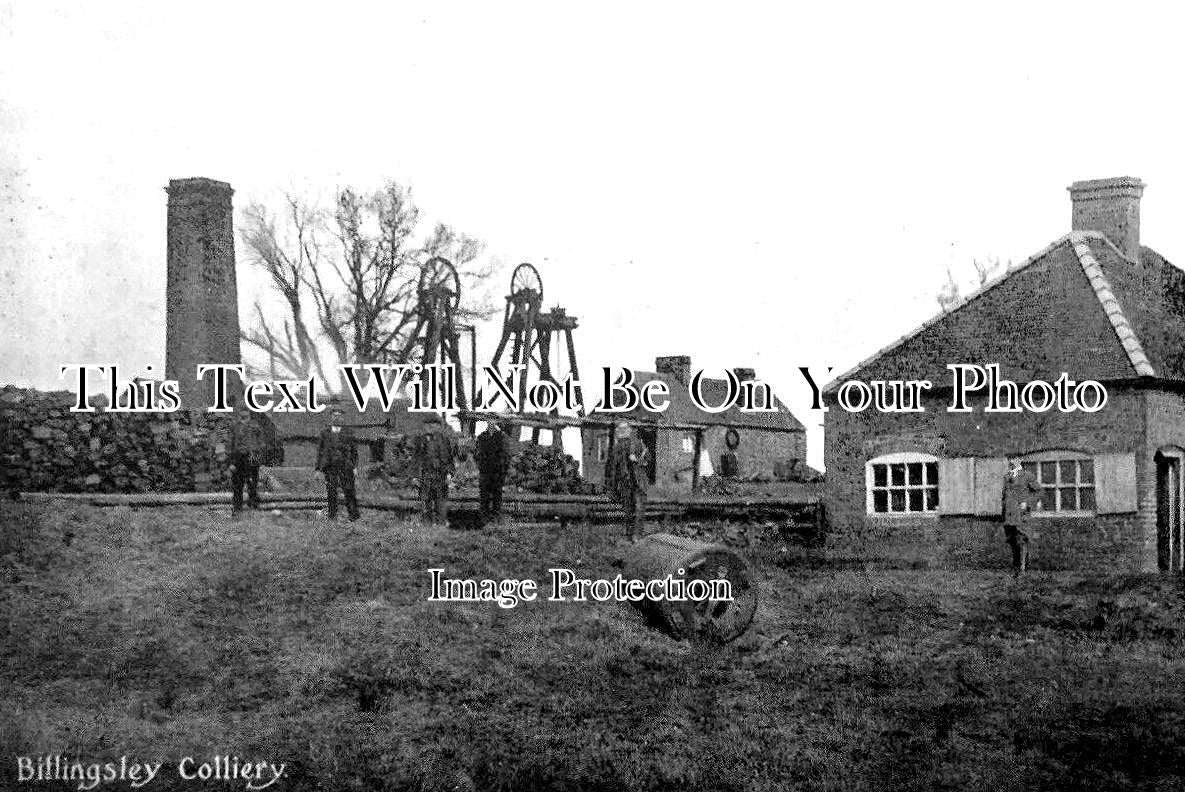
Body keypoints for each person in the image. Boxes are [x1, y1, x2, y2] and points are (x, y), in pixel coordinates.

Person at [605, 421, 649, 540]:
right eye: (620, 430)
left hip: (639, 482)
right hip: (625, 482)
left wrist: (637, 459)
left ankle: (637, 535)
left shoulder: (638, 444)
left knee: (639, 508)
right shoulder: (616, 448)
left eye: (624, 429)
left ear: (629, 431)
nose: (622, 432)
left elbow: (648, 460)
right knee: (628, 509)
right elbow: (613, 468)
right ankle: (629, 534)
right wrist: (612, 487)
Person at [316, 407, 360, 521]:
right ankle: (332, 516)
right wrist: (318, 469)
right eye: (334, 415)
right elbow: (320, 451)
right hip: (330, 467)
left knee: (349, 490)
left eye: (339, 415)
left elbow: (354, 451)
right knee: (331, 492)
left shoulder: (349, 432)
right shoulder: (324, 432)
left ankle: (354, 515)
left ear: (342, 417)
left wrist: (355, 467)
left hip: (345, 466)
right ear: (331, 417)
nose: (336, 417)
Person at [1002, 458, 1042, 577]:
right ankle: (1016, 569)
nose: (1011, 461)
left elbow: (1040, 492)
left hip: (1021, 515)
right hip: (1008, 516)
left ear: (1020, 461)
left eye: (1014, 459)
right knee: (1013, 542)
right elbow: (1004, 497)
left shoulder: (1027, 476)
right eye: (1010, 459)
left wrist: (1028, 503)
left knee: (1022, 541)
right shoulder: (1007, 477)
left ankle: (1023, 569)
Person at [415, 414, 458, 525]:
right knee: (426, 499)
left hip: (441, 474)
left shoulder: (444, 440)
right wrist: (416, 476)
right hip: (426, 474)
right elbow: (417, 458)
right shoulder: (421, 440)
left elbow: (449, 457)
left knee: (441, 500)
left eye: (433, 425)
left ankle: (441, 523)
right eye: (428, 425)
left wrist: (450, 473)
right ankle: (427, 523)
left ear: (438, 426)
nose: (430, 427)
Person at [229, 410, 265, 513]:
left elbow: (261, 443)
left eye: (245, 411)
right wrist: (232, 462)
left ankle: (253, 505)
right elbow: (231, 445)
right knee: (237, 483)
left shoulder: (255, 426)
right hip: (238, 457)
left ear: (248, 413)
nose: (243, 413)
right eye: (241, 411)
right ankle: (237, 506)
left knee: (252, 482)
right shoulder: (235, 427)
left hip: (251, 456)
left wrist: (258, 457)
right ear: (239, 413)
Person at [475, 420, 511, 524]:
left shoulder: (501, 437)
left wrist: (504, 469)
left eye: (493, 422)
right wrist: (481, 464)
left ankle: (496, 516)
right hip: (485, 471)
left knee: (497, 495)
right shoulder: (481, 437)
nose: (491, 424)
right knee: (484, 496)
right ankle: (484, 518)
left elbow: (506, 455)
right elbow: (477, 453)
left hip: (498, 471)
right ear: (487, 424)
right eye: (489, 422)